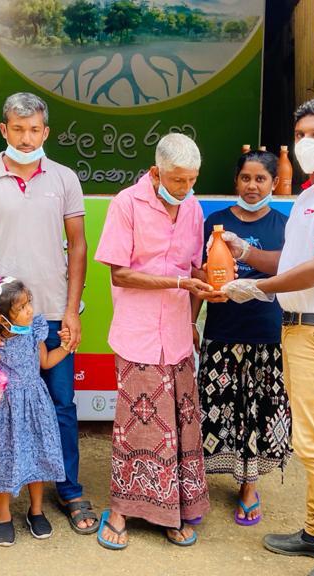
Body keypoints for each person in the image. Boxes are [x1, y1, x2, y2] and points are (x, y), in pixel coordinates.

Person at [221, 98, 314, 576]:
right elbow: (291, 261)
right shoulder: (310, 193)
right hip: (300, 332)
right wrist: (247, 251)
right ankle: (313, 532)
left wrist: (259, 288)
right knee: (312, 438)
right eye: (301, 133)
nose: (307, 142)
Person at [0, 92, 96, 538]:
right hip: (0, 318)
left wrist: (72, 309)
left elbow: (77, 245)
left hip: (53, 313)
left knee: (59, 406)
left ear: (46, 132)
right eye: (17, 129)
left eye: (34, 129)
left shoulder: (64, 178)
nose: (26, 137)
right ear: (3, 130)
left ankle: (68, 489)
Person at [93, 133, 224, 550]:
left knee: (179, 427)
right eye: (179, 180)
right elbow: (120, 274)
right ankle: (119, 510)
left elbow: (192, 269)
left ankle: (173, 511)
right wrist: (181, 281)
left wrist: (204, 289)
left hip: (178, 335)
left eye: (192, 180)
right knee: (137, 427)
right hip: (139, 334)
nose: (186, 189)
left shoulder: (193, 209)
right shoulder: (126, 204)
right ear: (156, 173)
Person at [196, 150, 291, 526]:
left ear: (273, 183)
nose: (253, 186)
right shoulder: (214, 223)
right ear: (236, 181)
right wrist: (191, 322)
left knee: (256, 411)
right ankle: (198, 484)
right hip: (222, 330)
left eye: (261, 179)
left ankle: (249, 487)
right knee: (216, 409)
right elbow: (199, 275)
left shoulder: (283, 224)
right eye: (246, 178)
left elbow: (287, 267)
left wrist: (247, 251)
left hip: (265, 332)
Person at [0, 275, 71, 546]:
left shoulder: (34, 330)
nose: (30, 310)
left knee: (36, 455)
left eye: (29, 303)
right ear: (2, 319)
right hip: (1, 408)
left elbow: (46, 362)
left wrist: (66, 347)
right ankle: (3, 516)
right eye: (22, 307)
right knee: (0, 459)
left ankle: (36, 510)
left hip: (34, 404)